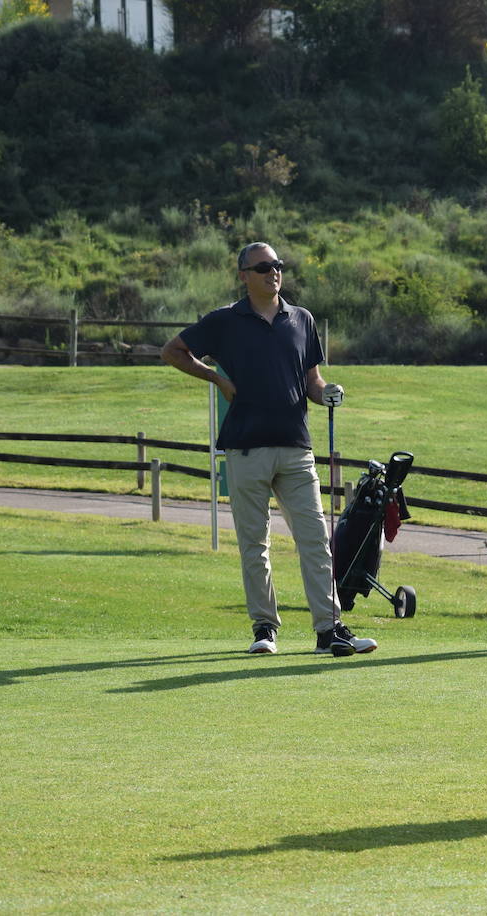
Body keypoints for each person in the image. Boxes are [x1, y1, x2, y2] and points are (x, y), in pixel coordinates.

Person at [160, 242, 377, 658]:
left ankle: (328, 630)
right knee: (254, 544)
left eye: (277, 266)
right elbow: (173, 351)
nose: (272, 273)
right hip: (245, 447)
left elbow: (311, 381)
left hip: (296, 446)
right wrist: (216, 379)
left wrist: (326, 393)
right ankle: (265, 629)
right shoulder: (225, 320)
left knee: (315, 540)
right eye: (262, 268)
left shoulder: (302, 319)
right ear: (243, 275)